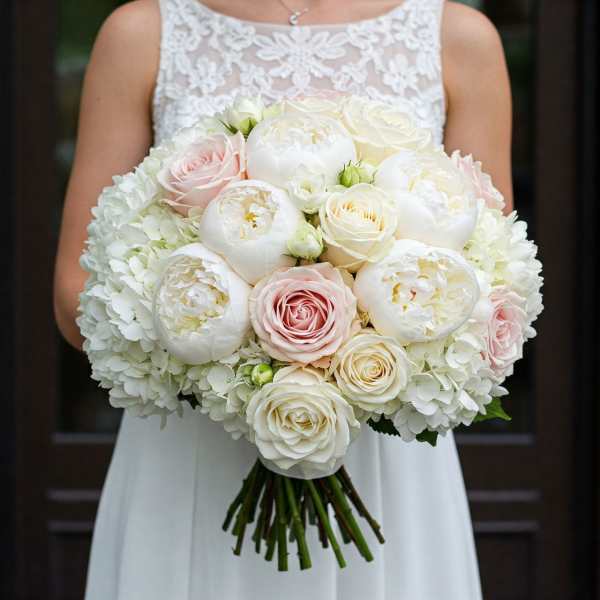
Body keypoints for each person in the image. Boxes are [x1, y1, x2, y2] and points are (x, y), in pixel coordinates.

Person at [54, 1, 513, 598]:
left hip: (386, 451)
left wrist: (348, 366)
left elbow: (489, 276)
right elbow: (76, 293)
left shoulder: (458, 38)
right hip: (190, 451)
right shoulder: (143, 32)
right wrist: (232, 359)